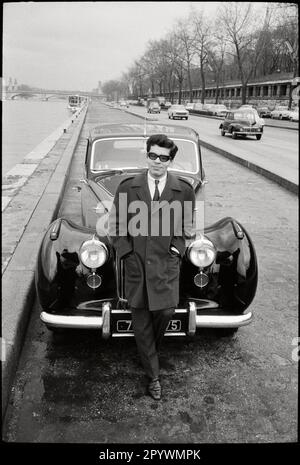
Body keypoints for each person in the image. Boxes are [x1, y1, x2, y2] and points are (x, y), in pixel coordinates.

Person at [109, 134, 195, 400]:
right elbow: (115, 226)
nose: (157, 162)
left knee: (166, 310)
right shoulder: (127, 187)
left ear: (171, 161)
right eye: (153, 156)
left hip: (165, 263)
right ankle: (154, 376)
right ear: (146, 156)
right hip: (136, 264)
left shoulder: (184, 190)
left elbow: (188, 228)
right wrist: (127, 252)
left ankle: (148, 354)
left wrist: (176, 249)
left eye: (163, 158)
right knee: (141, 318)